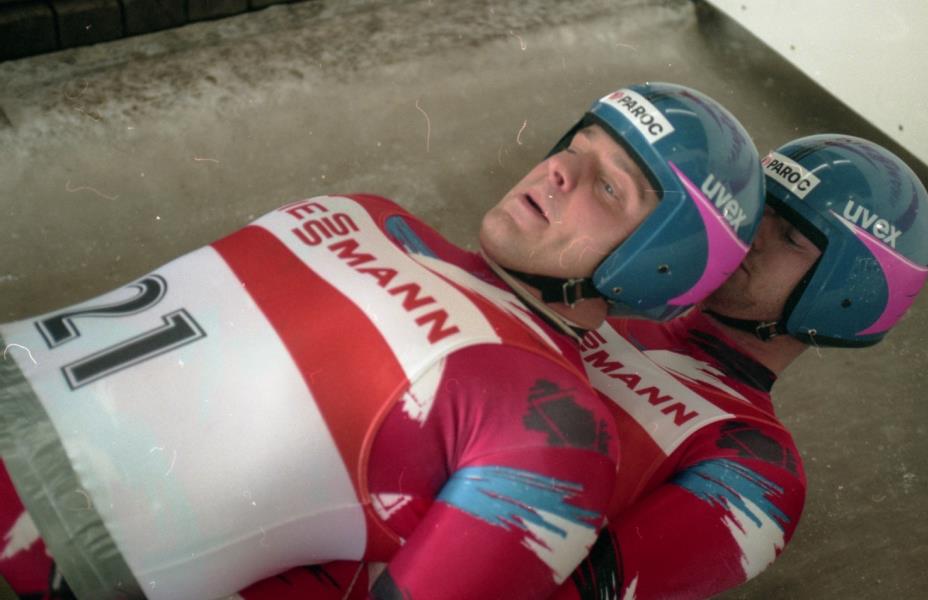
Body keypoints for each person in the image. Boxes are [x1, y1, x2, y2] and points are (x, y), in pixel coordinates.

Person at [0, 82, 765, 600]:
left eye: (607, 185)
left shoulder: (362, 212)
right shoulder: (553, 427)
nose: (559, 168)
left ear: (664, 260)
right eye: (578, 146)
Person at [231, 133, 928, 600]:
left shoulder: (756, 467)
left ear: (848, 293)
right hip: (253, 504)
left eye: (789, 236)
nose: (750, 234)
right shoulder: (589, 295)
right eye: (757, 211)